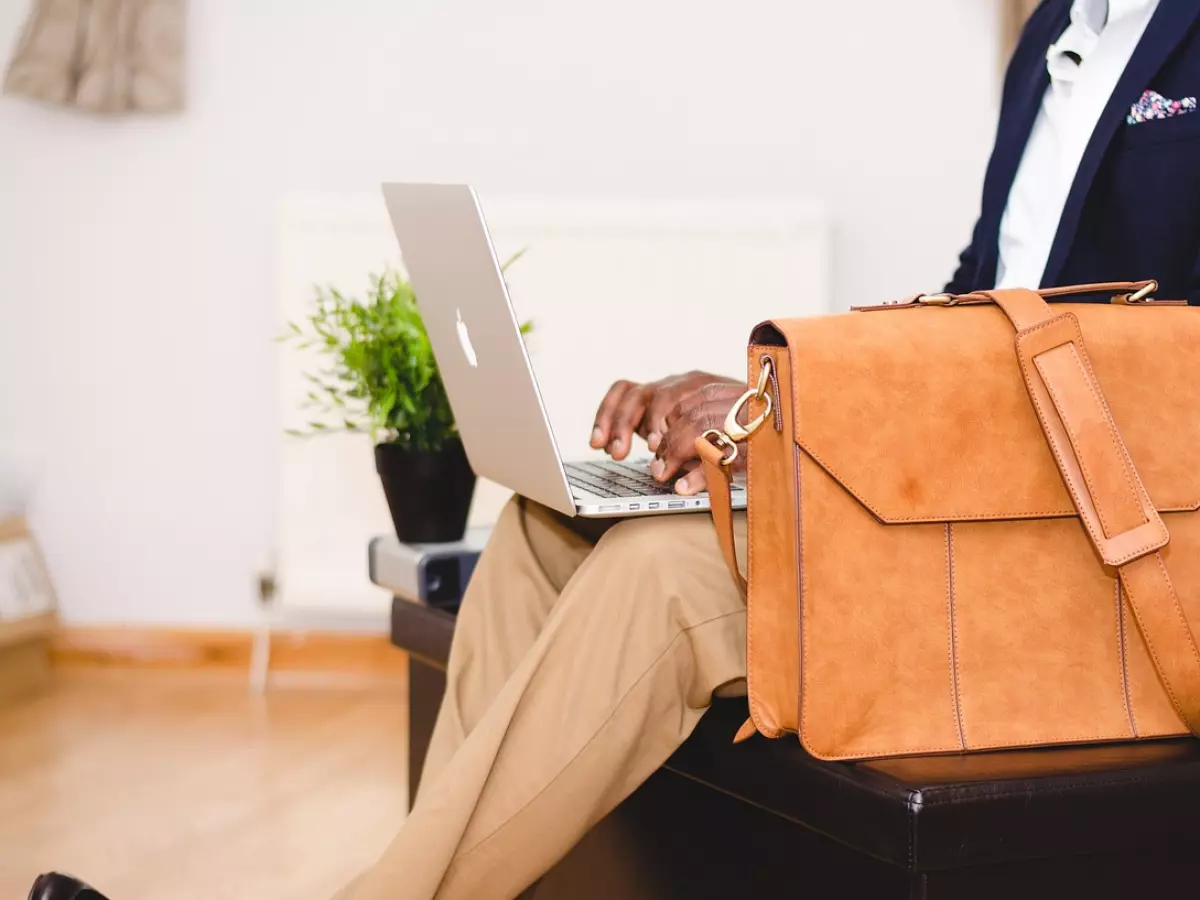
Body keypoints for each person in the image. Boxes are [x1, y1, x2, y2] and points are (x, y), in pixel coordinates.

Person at [31, 1, 1200, 898]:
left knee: (661, 581)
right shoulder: (1056, 29)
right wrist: (763, 404)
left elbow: (1150, 365)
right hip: (979, 515)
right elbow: (971, 309)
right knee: (545, 532)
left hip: (1105, 571)